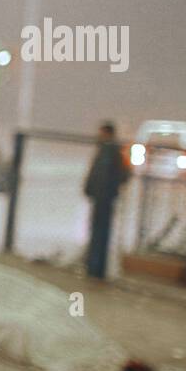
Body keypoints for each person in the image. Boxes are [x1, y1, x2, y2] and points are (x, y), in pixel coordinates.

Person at [83, 120, 130, 279]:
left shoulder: (111, 151)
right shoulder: (105, 150)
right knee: (97, 231)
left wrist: (109, 188)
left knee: (100, 232)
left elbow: (124, 174)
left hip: (104, 197)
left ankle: (96, 268)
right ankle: (93, 267)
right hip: (101, 196)